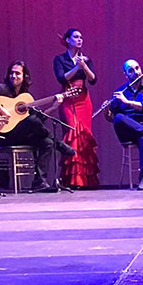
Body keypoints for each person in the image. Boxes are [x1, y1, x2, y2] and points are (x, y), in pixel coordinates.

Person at [0, 60, 75, 192]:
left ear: (24, 76)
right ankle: (59, 144)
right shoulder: (3, 89)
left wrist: (55, 106)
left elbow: (39, 120)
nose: (14, 76)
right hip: (6, 135)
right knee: (33, 121)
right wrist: (2, 111)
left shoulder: (26, 96)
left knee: (47, 142)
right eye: (11, 73)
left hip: (23, 135)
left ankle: (39, 182)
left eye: (17, 73)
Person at [105, 59, 143, 191]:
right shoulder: (120, 92)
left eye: (137, 68)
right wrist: (106, 110)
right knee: (119, 117)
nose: (136, 72)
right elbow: (112, 118)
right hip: (128, 131)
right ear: (126, 74)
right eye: (131, 70)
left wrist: (127, 102)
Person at [53, 29, 99, 189]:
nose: (80, 39)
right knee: (73, 133)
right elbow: (61, 77)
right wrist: (75, 68)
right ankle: (72, 180)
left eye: (81, 37)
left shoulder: (86, 59)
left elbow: (93, 79)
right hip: (67, 98)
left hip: (84, 99)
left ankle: (86, 180)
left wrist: (84, 66)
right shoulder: (60, 59)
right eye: (76, 37)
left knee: (84, 136)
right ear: (68, 39)